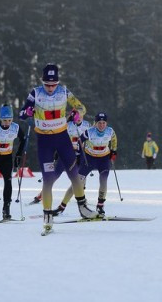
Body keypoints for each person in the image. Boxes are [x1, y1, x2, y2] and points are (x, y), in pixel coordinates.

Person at [19, 64, 98, 234]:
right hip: (44, 140)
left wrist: (78, 114)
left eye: (53, 84)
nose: (50, 88)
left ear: (58, 83)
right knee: (48, 179)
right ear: (42, 82)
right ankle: (47, 216)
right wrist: (28, 111)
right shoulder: (35, 93)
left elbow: (82, 108)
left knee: (74, 175)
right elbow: (21, 113)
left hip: (62, 139)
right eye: (47, 84)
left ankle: (83, 208)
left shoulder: (64, 92)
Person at [53, 112, 117, 216]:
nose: (101, 125)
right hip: (89, 159)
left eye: (103, 123)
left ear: (106, 123)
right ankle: (61, 206)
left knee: (103, 180)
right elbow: (79, 141)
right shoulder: (89, 132)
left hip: (103, 159)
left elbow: (114, 140)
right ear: (95, 123)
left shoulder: (110, 131)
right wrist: (78, 155)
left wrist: (114, 151)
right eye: (99, 123)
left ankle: (100, 205)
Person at [29, 113, 92, 204]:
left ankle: (82, 196)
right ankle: (42, 194)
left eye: (80, 116)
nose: (78, 118)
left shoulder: (87, 125)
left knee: (81, 175)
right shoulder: (67, 125)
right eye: (76, 116)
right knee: (56, 174)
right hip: (67, 153)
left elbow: (91, 139)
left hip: (80, 154)